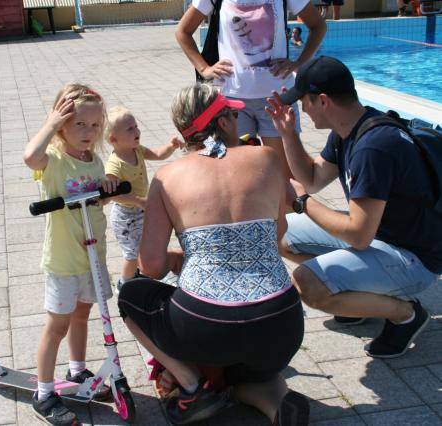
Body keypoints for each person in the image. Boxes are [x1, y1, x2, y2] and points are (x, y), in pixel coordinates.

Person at [118, 83, 308, 425]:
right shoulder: (266, 158)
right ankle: (278, 405)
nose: (238, 120)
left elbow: (152, 266)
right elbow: (277, 233)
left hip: (206, 326)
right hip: (281, 323)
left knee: (130, 294)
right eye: (233, 114)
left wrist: (186, 256)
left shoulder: (167, 176)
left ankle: (193, 386)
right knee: (253, 370)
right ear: (222, 122)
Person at [266, 56, 441, 359]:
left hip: (414, 258)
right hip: (382, 236)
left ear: (323, 101)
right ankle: (357, 296)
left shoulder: (374, 147)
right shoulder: (349, 130)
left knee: (309, 284)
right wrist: (288, 135)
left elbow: (358, 235)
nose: (302, 109)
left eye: (304, 101)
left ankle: (405, 315)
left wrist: (303, 203)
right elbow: (312, 179)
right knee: (278, 231)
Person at [23, 83, 118, 425]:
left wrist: (107, 187)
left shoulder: (94, 160)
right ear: (61, 125)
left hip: (92, 257)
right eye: (79, 124)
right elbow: (30, 156)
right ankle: (44, 392)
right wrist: (49, 124)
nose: (88, 132)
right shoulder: (54, 161)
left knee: (82, 316)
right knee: (57, 325)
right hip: (64, 261)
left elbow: (97, 199)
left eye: (95, 125)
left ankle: (77, 370)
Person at [176, 0, 326, 181]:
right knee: (240, 177)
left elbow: (318, 25)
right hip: (232, 103)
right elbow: (183, 32)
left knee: (286, 177)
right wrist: (204, 69)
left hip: (277, 98)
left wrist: (299, 64)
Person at [105, 106, 182, 292]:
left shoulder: (137, 150)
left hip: (141, 208)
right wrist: (138, 200)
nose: (137, 131)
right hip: (125, 216)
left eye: (136, 126)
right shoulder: (115, 165)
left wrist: (170, 147)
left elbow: (157, 154)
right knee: (132, 253)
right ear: (113, 139)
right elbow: (113, 194)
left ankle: (142, 274)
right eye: (129, 129)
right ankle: (125, 283)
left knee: (146, 244)